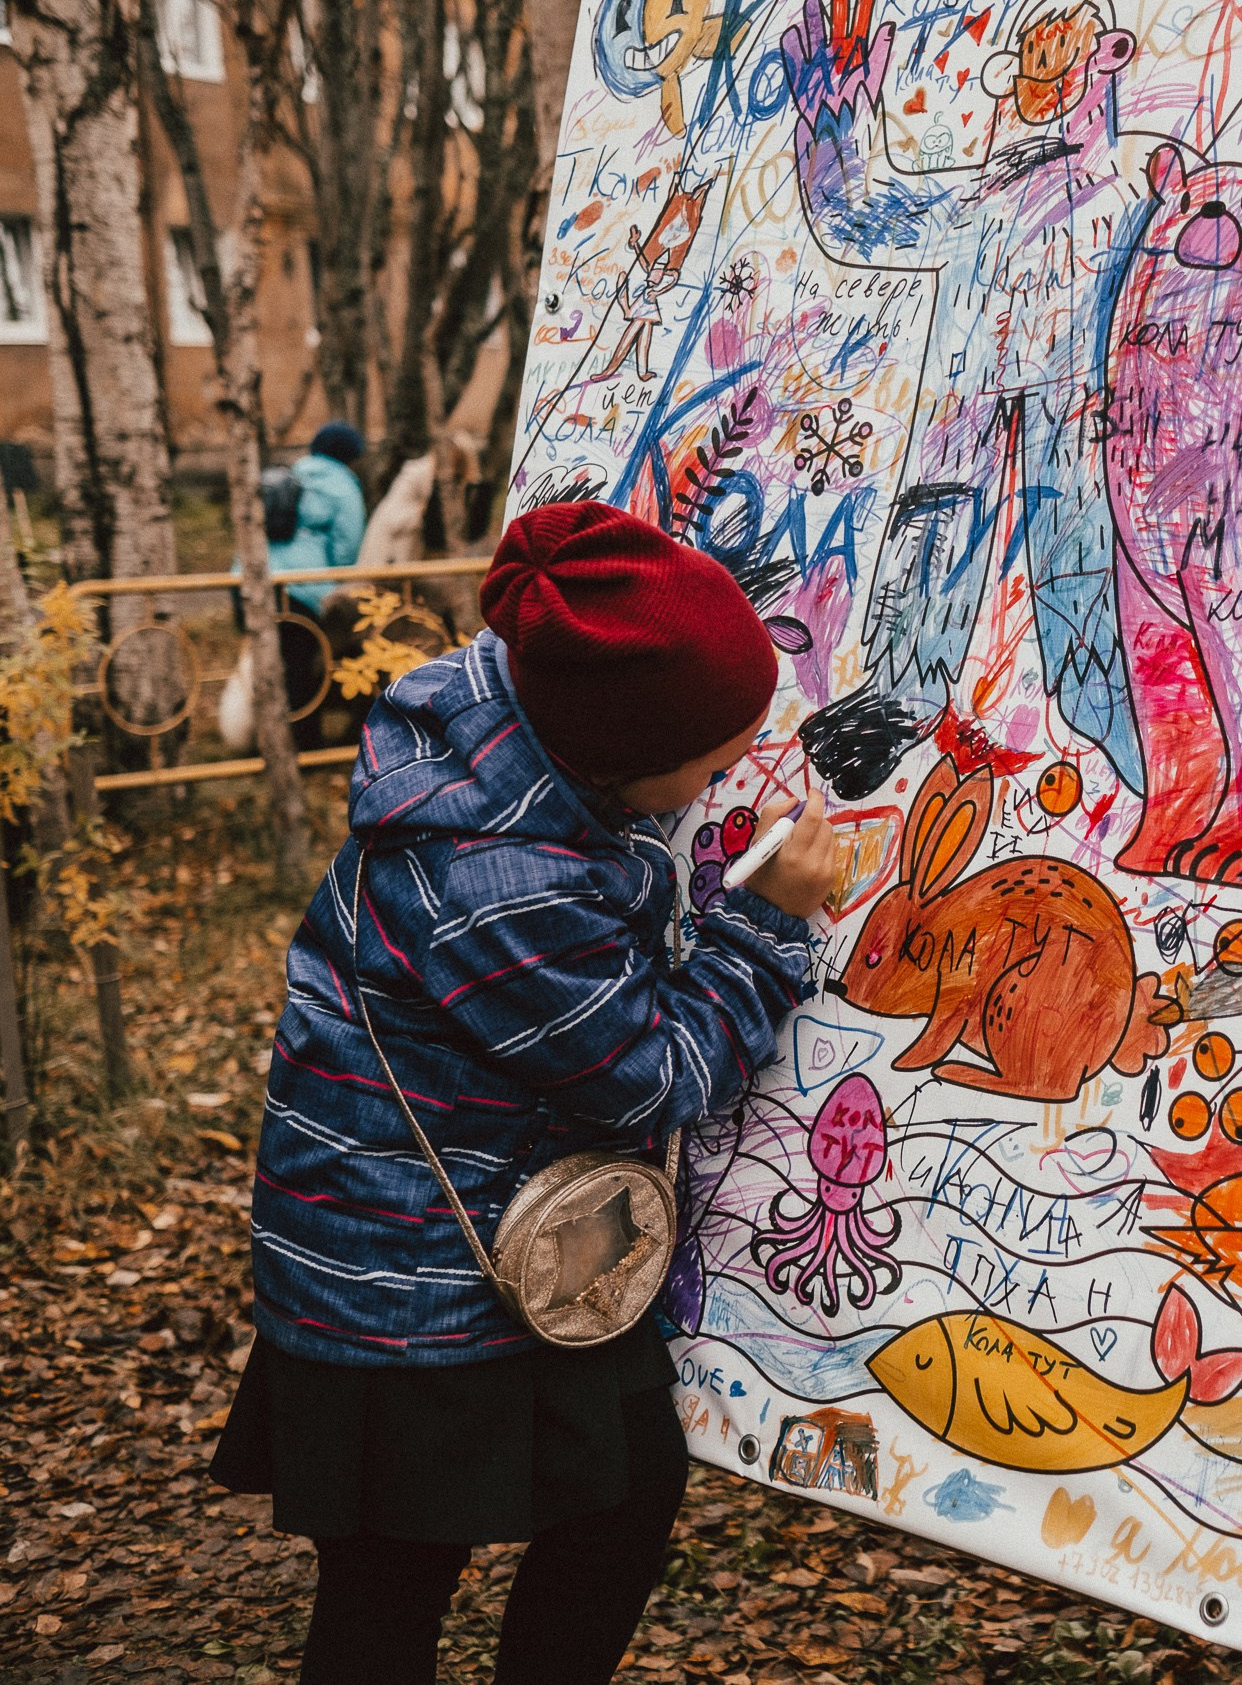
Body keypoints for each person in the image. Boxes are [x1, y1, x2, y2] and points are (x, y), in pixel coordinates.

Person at [210, 500, 841, 1685]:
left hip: (442, 1225)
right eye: (712, 761)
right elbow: (647, 1079)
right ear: (619, 754)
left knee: (618, 1495)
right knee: (396, 1579)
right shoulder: (500, 879)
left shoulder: (515, 699)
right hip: (401, 1274)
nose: (731, 774)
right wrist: (766, 926)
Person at [273, 420, 370, 616]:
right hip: (302, 589)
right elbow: (347, 549)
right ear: (351, 457)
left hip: (247, 582)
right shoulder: (344, 488)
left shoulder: (291, 474)